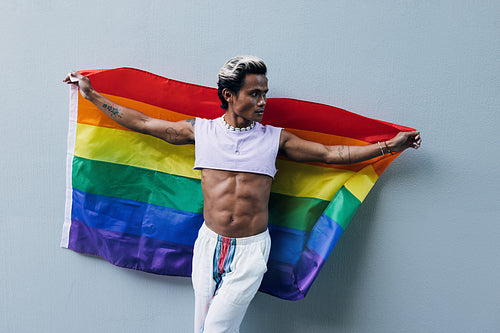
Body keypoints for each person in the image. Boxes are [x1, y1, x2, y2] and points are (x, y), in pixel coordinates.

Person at [64, 55, 421, 333]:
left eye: (264, 93)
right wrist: (92, 94)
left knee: (216, 328)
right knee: (210, 327)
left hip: (251, 250)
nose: (263, 101)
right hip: (208, 245)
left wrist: (390, 146)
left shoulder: (274, 139)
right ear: (229, 96)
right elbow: (142, 123)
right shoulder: (200, 131)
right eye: (255, 93)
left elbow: (330, 155)